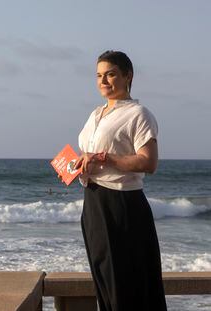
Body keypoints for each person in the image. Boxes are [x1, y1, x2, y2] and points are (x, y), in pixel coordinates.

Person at [73, 50, 167, 311]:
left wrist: (104, 158)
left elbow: (148, 162)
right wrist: (78, 166)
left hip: (121, 204)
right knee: (104, 280)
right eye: (99, 76)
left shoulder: (139, 114)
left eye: (111, 74)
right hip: (92, 202)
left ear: (128, 76)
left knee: (126, 286)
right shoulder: (95, 114)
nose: (104, 81)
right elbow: (90, 154)